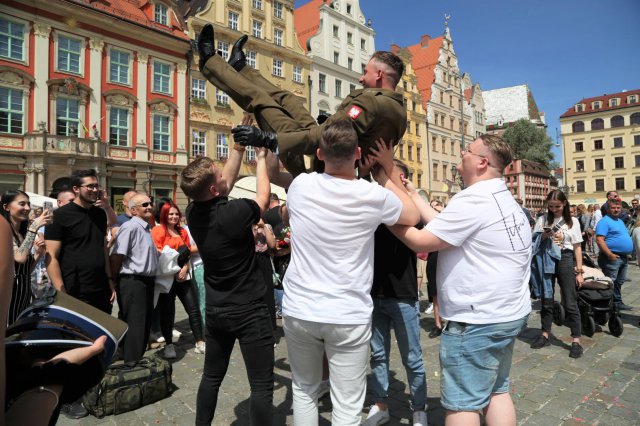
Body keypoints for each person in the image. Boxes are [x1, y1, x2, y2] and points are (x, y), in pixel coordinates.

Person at [281, 120, 419, 425]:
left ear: (320, 153)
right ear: (357, 153)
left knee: (304, 389)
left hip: (300, 308)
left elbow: (288, 207)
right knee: (347, 403)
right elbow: (412, 214)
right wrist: (384, 171)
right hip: (347, 312)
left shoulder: (302, 185)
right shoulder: (372, 194)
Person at [390, 134, 531, 426]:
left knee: (462, 404)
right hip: (507, 314)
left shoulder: (473, 200)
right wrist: (415, 195)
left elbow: (421, 241)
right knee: (497, 390)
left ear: (482, 162)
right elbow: (444, 224)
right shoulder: (501, 197)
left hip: (476, 320)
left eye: (467, 150)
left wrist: (385, 212)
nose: (461, 154)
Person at [196, 24, 406, 178]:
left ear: (379, 75)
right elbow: (359, 135)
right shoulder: (398, 112)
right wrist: (335, 120)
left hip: (321, 167)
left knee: (261, 102)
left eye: (365, 72)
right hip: (328, 154)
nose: (361, 78)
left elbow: (326, 137)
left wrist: (269, 139)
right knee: (290, 100)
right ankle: (241, 67)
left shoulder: (373, 103)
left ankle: (210, 62)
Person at [180, 120, 274, 425]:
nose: (225, 174)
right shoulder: (234, 213)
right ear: (213, 187)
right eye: (219, 174)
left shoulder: (194, 211)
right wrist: (260, 159)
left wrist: (237, 147)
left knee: (211, 377)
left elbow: (225, 183)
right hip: (249, 309)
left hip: (218, 310)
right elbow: (262, 198)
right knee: (261, 386)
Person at [44, 169, 115, 419]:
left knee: (98, 342)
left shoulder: (98, 214)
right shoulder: (60, 217)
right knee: (75, 343)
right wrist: (61, 291)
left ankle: (91, 388)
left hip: (99, 288)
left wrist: (110, 281)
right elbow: (50, 257)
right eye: (90, 186)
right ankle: (67, 398)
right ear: (76, 189)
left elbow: (102, 251)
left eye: (97, 186)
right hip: (74, 291)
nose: (95, 190)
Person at [364, 160, 427, 426]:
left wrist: (409, 193)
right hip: (374, 292)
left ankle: (419, 409)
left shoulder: (411, 208)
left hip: (403, 294)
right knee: (377, 356)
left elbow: (424, 229)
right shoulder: (372, 202)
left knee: (412, 357)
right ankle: (380, 405)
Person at [530, 190, 585, 358]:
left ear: (565, 203)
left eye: (558, 206)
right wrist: (544, 235)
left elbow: (577, 247)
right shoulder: (542, 219)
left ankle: (576, 340)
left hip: (565, 259)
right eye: (551, 206)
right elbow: (534, 241)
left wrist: (580, 271)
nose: (554, 210)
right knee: (547, 299)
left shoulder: (572, 221)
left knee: (570, 300)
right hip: (546, 259)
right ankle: (545, 334)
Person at [151, 201, 205, 359]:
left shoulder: (182, 231)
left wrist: (185, 268)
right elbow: (157, 252)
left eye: (176, 214)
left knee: (193, 308)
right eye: (170, 214)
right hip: (166, 277)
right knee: (167, 312)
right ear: (164, 215)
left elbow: (187, 252)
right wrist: (174, 265)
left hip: (182, 275)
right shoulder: (158, 230)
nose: (174, 217)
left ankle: (200, 342)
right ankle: (169, 345)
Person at [110, 194, 159, 364]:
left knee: (142, 321)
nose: (149, 206)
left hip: (145, 281)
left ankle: (131, 356)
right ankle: (132, 362)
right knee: (136, 323)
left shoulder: (146, 228)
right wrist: (114, 281)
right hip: (132, 281)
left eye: (150, 203)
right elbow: (117, 256)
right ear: (133, 210)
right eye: (144, 204)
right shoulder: (130, 227)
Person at [1, 191, 51, 324]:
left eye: (28, 204)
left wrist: (38, 254)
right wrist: (34, 227)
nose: (28, 208)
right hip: (9, 294)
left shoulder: (21, 232)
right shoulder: (4, 230)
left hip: (23, 293)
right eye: (22, 204)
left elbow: (25, 270)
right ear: (6, 207)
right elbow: (20, 257)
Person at [595, 197, 634, 311]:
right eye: (613, 208)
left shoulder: (620, 221)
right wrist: (609, 254)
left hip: (622, 257)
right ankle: (606, 304)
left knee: (619, 281)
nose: (616, 210)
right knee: (609, 282)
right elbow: (599, 240)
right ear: (608, 209)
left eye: (618, 208)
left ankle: (617, 302)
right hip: (612, 256)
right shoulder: (604, 221)